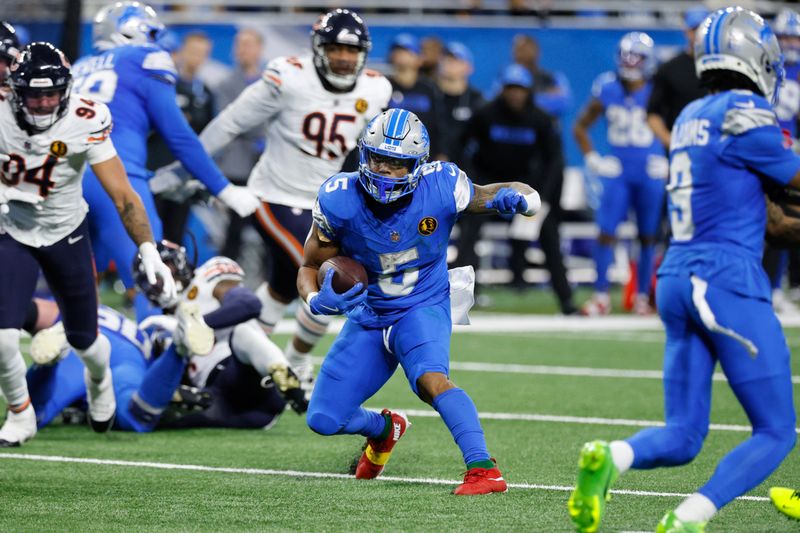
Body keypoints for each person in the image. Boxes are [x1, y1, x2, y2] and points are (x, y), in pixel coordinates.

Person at [568, 8, 799, 532]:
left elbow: (768, 214)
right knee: (777, 431)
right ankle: (690, 516)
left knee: (685, 434)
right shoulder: (746, 111)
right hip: (725, 276)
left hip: (677, 275)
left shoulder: (695, 112)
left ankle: (614, 456)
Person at [300, 108, 542, 494]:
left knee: (430, 380)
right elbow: (309, 265)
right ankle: (385, 429)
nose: (384, 170)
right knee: (324, 419)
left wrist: (521, 197)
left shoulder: (442, 185)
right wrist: (316, 299)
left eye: (397, 164)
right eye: (378, 158)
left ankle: (483, 469)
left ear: (416, 164)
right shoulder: (339, 198)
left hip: (421, 305)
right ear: (364, 155)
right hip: (369, 314)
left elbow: (490, 193)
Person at [156, 9, 391, 391]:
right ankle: (296, 361)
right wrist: (187, 169)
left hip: (325, 201)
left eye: (351, 51)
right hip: (274, 195)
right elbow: (232, 122)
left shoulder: (375, 88)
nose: (344, 58)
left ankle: (244, 361)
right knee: (334, 277)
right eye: (335, 49)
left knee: (284, 286)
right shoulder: (288, 76)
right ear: (318, 49)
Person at [0, 42, 176, 446]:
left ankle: (99, 380)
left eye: (50, 94)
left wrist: (147, 250)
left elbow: (123, 195)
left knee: (85, 339)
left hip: (66, 230)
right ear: (15, 89)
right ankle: (20, 414)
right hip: (13, 229)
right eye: (33, 94)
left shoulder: (87, 116)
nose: (43, 104)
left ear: (66, 90)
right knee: (3, 336)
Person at [71, 1, 259, 321]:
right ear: (131, 30)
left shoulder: (80, 66)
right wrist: (224, 189)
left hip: (66, 179)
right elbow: (180, 136)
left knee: (77, 285)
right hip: (116, 176)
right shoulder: (143, 58)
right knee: (155, 282)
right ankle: (153, 362)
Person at [28, 244, 304, 431]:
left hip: (242, 374)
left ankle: (281, 370)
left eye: (166, 269)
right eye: (152, 277)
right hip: (215, 400)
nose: (162, 280)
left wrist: (199, 325)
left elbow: (247, 304)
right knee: (149, 412)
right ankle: (84, 409)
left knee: (243, 331)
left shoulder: (207, 282)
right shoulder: (154, 322)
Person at [459, 64, 576, 313]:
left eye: (520, 89)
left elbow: (555, 161)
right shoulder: (486, 114)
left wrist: (543, 197)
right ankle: (462, 297)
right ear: (502, 90)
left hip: (522, 187)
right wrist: (468, 186)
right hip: (487, 186)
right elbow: (461, 145)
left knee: (549, 234)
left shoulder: (541, 120)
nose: (515, 94)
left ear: (528, 91)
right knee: (468, 233)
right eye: (510, 88)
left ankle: (566, 301)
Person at [573, 32, 667, 316]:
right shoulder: (608, 87)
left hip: (650, 170)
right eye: (627, 57)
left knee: (649, 235)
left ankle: (641, 296)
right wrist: (593, 159)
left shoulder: (659, 89)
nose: (630, 63)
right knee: (605, 232)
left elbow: (678, 125)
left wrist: (668, 158)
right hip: (619, 171)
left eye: (636, 57)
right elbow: (580, 126)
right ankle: (601, 295)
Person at [148, 31, 217, 245]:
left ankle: (173, 278)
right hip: (155, 171)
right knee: (152, 234)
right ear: (182, 52)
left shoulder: (205, 93)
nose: (197, 57)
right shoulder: (162, 85)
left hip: (183, 177)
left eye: (202, 53)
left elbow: (206, 136)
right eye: (193, 51)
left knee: (176, 236)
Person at [214, 28, 266, 262]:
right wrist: (261, 127)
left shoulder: (270, 83)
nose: (243, 49)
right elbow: (233, 122)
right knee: (233, 232)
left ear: (259, 49)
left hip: (266, 169)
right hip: (237, 168)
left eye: (248, 44)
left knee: (270, 233)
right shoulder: (225, 84)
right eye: (240, 45)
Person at [646, 5, 710, 148]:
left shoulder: (723, 68)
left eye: (703, 29)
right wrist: (671, 142)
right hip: (680, 151)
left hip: (715, 151)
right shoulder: (669, 69)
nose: (699, 34)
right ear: (686, 31)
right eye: (695, 29)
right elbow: (652, 114)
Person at [387, 33, 445, 158]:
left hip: (424, 155)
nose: (402, 55)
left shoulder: (429, 88)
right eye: (398, 51)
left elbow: (438, 125)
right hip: (390, 153)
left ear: (420, 59)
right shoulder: (384, 86)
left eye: (407, 51)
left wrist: (441, 154)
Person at [435, 41, 484, 165]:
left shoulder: (476, 100)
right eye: (446, 58)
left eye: (456, 60)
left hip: (466, 168)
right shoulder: (429, 94)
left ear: (469, 68)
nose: (449, 63)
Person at [511, 34, 572, 119]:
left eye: (523, 49)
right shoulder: (507, 80)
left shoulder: (552, 78)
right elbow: (497, 104)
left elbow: (563, 102)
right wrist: (546, 95)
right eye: (516, 50)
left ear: (536, 51)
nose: (518, 54)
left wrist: (522, 101)